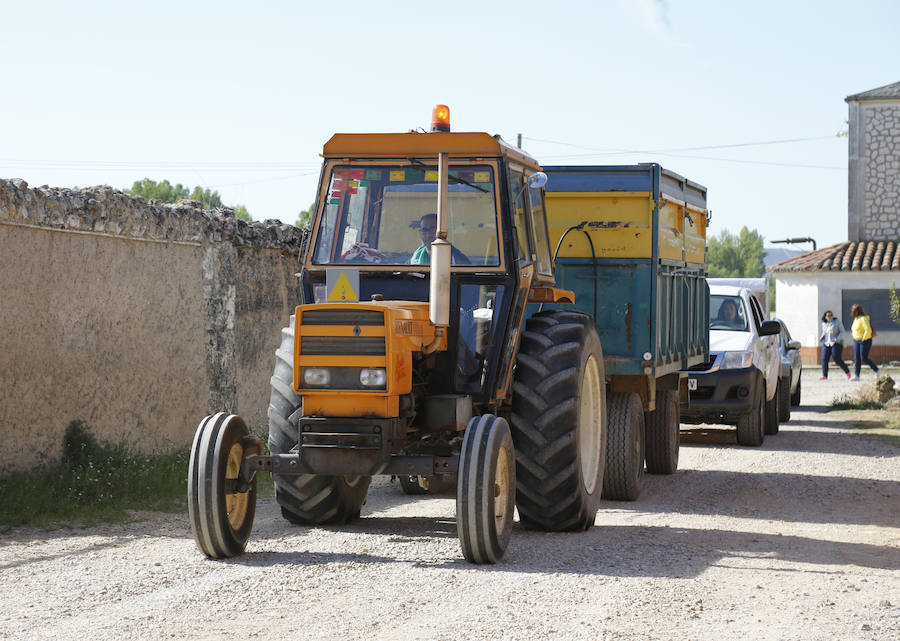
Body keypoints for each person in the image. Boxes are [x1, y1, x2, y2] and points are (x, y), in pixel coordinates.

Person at [850, 303, 879, 380]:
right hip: (856, 340)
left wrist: (863, 339)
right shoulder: (855, 319)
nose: (852, 312)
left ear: (857, 311)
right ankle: (857, 375)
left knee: (864, 358)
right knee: (857, 358)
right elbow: (854, 330)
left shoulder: (863, 318)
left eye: (854, 310)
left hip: (865, 340)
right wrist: (854, 337)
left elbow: (868, 329)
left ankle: (876, 369)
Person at [819, 310, 850, 380]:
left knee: (837, 359)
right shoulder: (824, 323)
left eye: (831, 315)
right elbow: (824, 333)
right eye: (828, 316)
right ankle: (824, 375)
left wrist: (837, 339)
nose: (830, 317)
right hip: (826, 343)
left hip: (836, 343)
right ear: (825, 317)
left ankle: (847, 372)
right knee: (824, 359)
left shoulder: (837, 322)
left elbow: (842, 331)